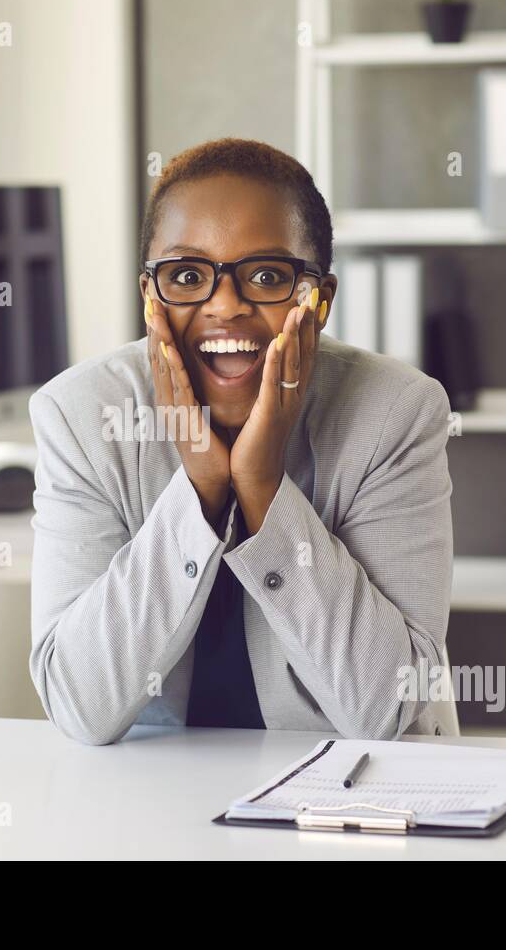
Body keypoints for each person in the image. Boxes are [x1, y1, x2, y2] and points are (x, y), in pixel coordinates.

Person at [29, 137, 453, 745]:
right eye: (187, 275)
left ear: (320, 299)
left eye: (265, 275)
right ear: (151, 296)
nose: (224, 306)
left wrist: (261, 487)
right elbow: (79, 705)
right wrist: (200, 488)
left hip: (343, 802)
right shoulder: (81, 416)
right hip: (147, 807)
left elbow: (384, 707)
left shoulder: (394, 415)